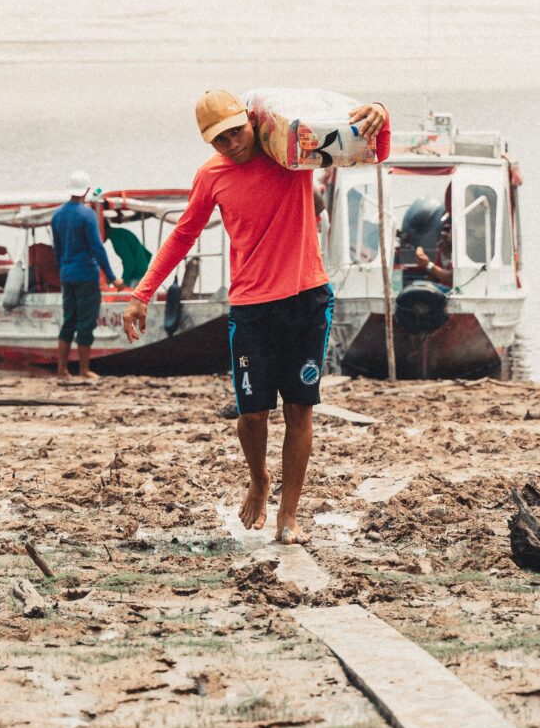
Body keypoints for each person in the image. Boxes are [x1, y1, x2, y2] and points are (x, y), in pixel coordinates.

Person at [123, 89, 387, 545]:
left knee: (300, 407)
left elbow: (364, 147)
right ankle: (260, 479)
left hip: (307, 297)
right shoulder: (211, 176)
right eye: (219, 140)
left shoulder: (291, 151)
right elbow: (183, 235)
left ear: (250, 120)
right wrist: (142, 293)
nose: (232, 144)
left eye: (235, 132)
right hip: (251, 307)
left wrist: (378, 112)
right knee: (252, 415)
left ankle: (289, 515)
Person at [52, 171, 124, 379]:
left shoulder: (57, 215)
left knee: (69, 321)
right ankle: (84, 370)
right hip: (86, 275)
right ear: (87, 190)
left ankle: (62, 369)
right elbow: (97, 248)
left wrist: (63, 270)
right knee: (86, 322)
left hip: (67, 275)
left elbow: (57, 249)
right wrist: (112, 277)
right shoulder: (87, 215)